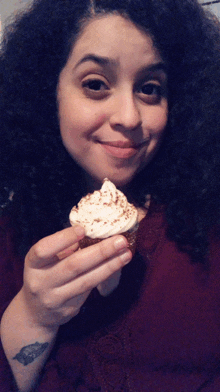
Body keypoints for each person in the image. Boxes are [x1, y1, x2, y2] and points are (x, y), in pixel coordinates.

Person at [0, 0, 220, 390]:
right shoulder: (10, 234)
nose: (129, 117)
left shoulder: (208, 231)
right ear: (46, 91)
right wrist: (34, 317)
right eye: (96, 84)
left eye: (150, 89)